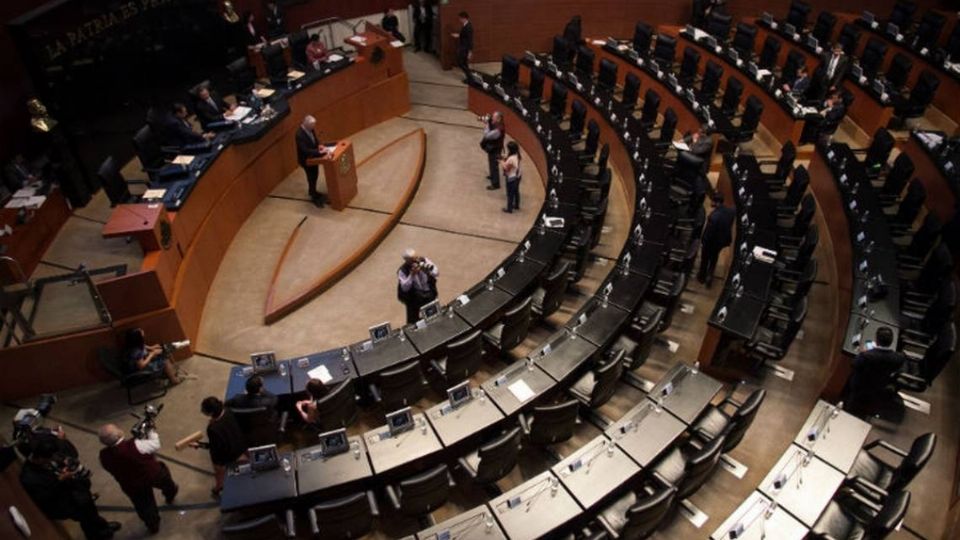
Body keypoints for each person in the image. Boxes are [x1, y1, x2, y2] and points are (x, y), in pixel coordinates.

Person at [21, 438, 121, 539]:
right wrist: (59, 480)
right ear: (39, 458)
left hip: (76, 491)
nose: (52, 460)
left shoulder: (47, 455)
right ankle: (98, 535)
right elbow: (44, 497)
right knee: (86, 518)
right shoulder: (29, 477)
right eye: (49, 459)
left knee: (91, 511)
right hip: (66, 502)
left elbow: (72, 454)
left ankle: (102, 526)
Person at [98, 424, 178, 534]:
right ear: (118, 434)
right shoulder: (134, 445)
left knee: (144, 506)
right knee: (165, 479)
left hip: (131, 485)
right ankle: (170, 494)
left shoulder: (103, 456)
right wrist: (151, 431)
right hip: (151, 474)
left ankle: (152, 525)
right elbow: (155, 444)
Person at [844, 327, 906, 417]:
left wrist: (864, 352)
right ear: (891, 341)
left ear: (876, 341)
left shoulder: (866, 356)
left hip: (859, 386)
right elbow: (897, 369)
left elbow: (854, 364)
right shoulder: (898, 357)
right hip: (879, 386)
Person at [192, 397, 246, 498]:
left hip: (227, 455)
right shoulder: (228, 412)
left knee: (218, 468)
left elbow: (215, 448)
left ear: (210, 412)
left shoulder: (213, 428)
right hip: (239, 446)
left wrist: (199, 445)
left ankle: (219, 486)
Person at [697, 193, 735, 287]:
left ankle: (701, 277)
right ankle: (710, 276)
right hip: (721, 241)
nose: (711, 203)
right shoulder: (730, 212)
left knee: (705, 259)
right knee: (714, 257)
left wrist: (703, 241)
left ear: (716, 202)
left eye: (712, 201)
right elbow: (735, 209)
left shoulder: (713, 217)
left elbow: (709, 233)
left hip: (710, 242)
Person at [295, 115, 330, 208]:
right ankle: (313, 196)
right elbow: (305, 150)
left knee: (315, 174)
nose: (314, 127)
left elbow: (315, 140)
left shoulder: (310, 129)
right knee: (311, 176)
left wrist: (319, 146)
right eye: (312, 126)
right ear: (306, 125)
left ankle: (313, 191)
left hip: (313, 157)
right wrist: (319, 152)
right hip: (306, 159)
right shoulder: (299, 135)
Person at [397, 248, 439, 324]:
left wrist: (428, 271)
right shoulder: (402, 270)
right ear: (407, 261)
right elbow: (404, 288)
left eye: (417, 257)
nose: (417, 260)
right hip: (414, 297)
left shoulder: (424, 260)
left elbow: (436, 273)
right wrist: (412, 275)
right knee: (413, 321)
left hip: (429, 292)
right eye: (413, 260)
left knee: (433, 314)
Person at [481, 111, 505, 190]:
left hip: (496, 148)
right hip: (493, 147)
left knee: (494, 165)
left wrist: (487, 124)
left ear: (498, 119)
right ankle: (492, 176)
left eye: (494, 117)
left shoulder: (498, 129)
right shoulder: (496, 124)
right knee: (491, 162)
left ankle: (495, 184)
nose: (492, 118)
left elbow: (487, 135)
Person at [500, 141, 522, 213]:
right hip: (518, 176)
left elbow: (507, 169)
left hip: (511, 178)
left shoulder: (511, 159)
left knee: (510, 194)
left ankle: (509, 209)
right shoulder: (517, 155)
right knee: (516, 191)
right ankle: (516, 205)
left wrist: (501, 162)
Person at [451, 11, 473, 82]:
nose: (459, 20)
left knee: (461, 63)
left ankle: (470, 77)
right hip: (463, 47)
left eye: (460, 18)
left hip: (464, 48)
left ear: (464, 18)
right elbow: (464, 36)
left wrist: (470, 51)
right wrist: (458, 35)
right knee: (464, 63)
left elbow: (470, 40)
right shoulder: (465, 25)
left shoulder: (468, 27)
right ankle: (469, 77)